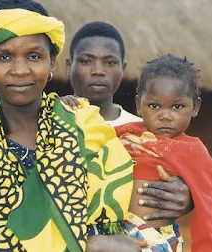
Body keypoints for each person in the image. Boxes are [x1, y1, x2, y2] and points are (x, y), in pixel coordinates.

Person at [0, 1, 145, 251]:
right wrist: (88, 241)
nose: (20, 70)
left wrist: (186, 195)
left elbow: (137, 202)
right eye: (4, 57)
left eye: (34, 56)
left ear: (52, 63)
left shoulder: (87, 127)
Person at [63, 21, 193, 223]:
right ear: (68, 65)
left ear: (123, 68)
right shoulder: (51, 121)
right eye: (86, 61)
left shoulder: (145, 131)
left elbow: (185, 170)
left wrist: (188, 197)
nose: (98, 70)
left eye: (110, 62)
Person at [116, 54, 212, 251]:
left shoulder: (194, 152)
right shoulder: (127, 133)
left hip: (156, 241)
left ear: (195, 107)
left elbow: (207, 213)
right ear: (139, 105)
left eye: (177, 106)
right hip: (115, 236)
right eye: (154, 106)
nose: (165, 116)